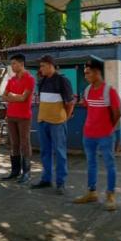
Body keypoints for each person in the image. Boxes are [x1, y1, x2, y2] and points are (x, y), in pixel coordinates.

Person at [74, 59, 121, 211]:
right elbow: (89, 108)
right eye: (85, 73)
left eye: (88, 73)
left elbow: (117, 113)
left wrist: (109, 129)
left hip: (105, 136)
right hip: (88, 135)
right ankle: (92, 192)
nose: (86, 76)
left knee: (110, 165)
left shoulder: (109, 91)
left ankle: (110, 195)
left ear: (97, 72)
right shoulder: (87, 90)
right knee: (91, 163)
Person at [33, 55, 75, 193]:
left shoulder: (62, 81)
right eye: (40, 66)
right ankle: (46, 179)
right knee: (45, 152)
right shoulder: (42, 81)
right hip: (43, 121)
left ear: (51, 65)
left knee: (60, 152)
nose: (41, 68)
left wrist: (65, 118)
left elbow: (70, 103)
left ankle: (60, 183)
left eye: (43, 66)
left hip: (57, 123)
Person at [1, 53, 35, 184]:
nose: (12, 66)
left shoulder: (29, 79)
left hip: (24, 117)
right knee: (14, 143)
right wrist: (16, 97)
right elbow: (4, 96)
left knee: (25, 143)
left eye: (14, 63)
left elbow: (23, 98)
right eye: (11, 64)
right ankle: (15, 171)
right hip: (11, 116)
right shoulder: (11, 80)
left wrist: (12, 96)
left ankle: (27, 172)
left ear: (21, 64)